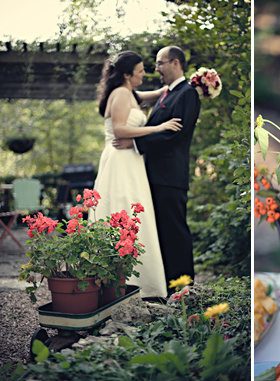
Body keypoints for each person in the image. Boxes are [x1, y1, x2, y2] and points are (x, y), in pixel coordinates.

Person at [94, 50, 182, 298]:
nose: (146, 73)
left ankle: (140, 284)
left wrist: (189, 83)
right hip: (121, 161)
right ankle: (123, 283)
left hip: (131, 162)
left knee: (136, 214)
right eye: (141, 70)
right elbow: (120, 130)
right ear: (126, 74)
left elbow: (160, 94)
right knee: (123, 210)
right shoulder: (121, 94)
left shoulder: (130, 93)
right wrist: (159, 127)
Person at [113, 46, 201, 293]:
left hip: (170, 176)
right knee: (161, 232)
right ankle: (167, 285)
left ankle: (184, 288)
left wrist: (136, 142)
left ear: (175, 63)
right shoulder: (167, 94)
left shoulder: (187, 93)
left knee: (175, 231)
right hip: (153, 175)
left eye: (160, 63)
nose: (157, 69)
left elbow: (175, 135)